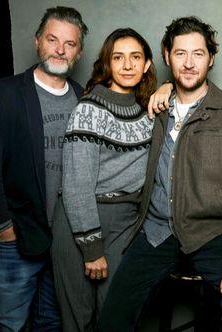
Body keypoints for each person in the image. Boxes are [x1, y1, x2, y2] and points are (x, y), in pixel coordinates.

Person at [98, 16, 222, 331]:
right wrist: (165, 88)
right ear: (166, 56)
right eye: (180, 54)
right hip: (157, 231)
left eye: (198, 54)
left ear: (211, 58)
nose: (189, 63)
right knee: (112, 318)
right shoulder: (152, 108)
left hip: (212, 233)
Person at [0, 6, 87, 331]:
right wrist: (3, 227)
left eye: (70, 43)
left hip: (64, 243)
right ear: (37, 42)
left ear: (79, 51)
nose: (60, 49)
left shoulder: (82, 98)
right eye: (52, 39)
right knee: (10, 325)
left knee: (52, 323)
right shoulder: (3, 94)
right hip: (16, 241)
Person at [50, 28, 157, 331]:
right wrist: (92, 249)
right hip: (81, 222)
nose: (127, 65)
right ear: (107, 64)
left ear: (147, 64)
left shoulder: (148, 109)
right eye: (118, 57)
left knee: (116, 317)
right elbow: (76, 184)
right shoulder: (88, 110)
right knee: (78, 321)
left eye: (135, 57)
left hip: (126, 222)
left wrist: (167, 89)